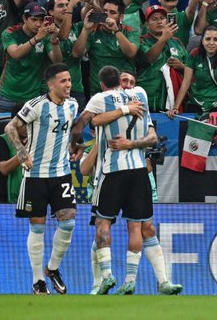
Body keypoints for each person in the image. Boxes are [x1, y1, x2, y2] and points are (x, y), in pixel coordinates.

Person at [70, 65, 182, 295]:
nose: (128, 85)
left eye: (131, 81)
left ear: (101, 84)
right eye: (124, 80)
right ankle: (103, 282)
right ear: (119, 83)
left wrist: (75, 143)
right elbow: (97, 123)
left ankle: (118, 278)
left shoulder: (101, 100)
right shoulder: (140, 95)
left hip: (115, 173)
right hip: (128, 172)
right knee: (129, 227)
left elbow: (84, 123)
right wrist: (125, 109)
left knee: (111, 226)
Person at [4, 63, 78, 295]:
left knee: (68, 223)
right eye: (63, 81)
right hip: (36, 176)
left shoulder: (73, 105)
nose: (68, 85)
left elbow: (68, 133)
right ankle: (38, 281)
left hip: (62, 173)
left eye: (69, 80)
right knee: (38, 229)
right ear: (51, 84)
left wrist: (76, 146)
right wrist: (21, 151)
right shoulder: (36, 105)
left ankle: (53, 268)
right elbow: (10, 127)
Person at [0, 2, 63, 114]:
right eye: (34, 19)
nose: (39, 24)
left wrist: (54, 40)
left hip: (32, 99)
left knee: (29, 132)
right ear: (25, 19)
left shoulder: (46, 36)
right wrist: (37, 39)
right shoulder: (10, 32)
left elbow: (57, 61)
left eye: (41, 20)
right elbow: (15, 54)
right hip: (6, 97)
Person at [168, 26, 217, 119]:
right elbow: (186, 82)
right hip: (196, 105)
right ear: (202, 41)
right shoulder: (194, 54)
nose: (211, 43)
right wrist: (175, 107)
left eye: (215, 39)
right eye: (207, 39)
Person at [71, 0, 139, 96]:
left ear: (121, 17)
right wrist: (85, 30)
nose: (107, 15)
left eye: (112, 12)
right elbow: (76, 54)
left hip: (125, 90)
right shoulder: (93, 31)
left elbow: (131, 53)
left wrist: (116, 31)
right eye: (105, 11)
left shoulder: (129, 31)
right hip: (98, 91)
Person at [136, 5, 189, 112]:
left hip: (175, 100)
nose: (159, 22)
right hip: (150, 99)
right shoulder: (141, 41)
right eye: (154, 19)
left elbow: (192, 71)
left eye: (162, 18)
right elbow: (150, 58)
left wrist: (182, 67)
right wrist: (163, 39)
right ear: (146, 24)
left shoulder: (177, 42)